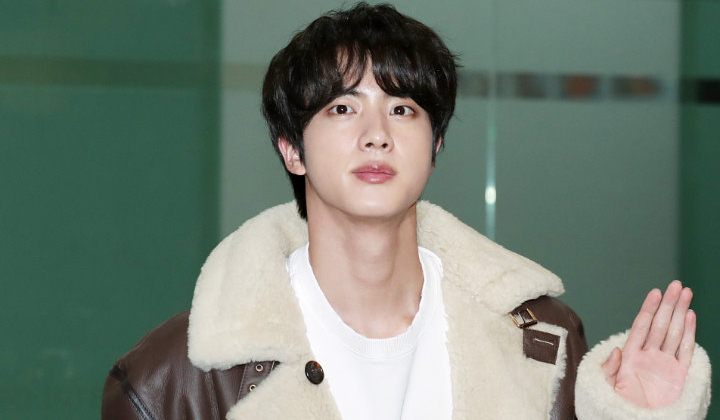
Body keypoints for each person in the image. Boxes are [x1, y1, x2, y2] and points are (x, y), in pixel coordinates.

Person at [102, 3, 711, 419]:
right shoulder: (175, 380)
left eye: (403, 109)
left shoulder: (544, 341)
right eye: (343, 109)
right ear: (292, 149)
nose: (376, 135)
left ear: (435, 144)